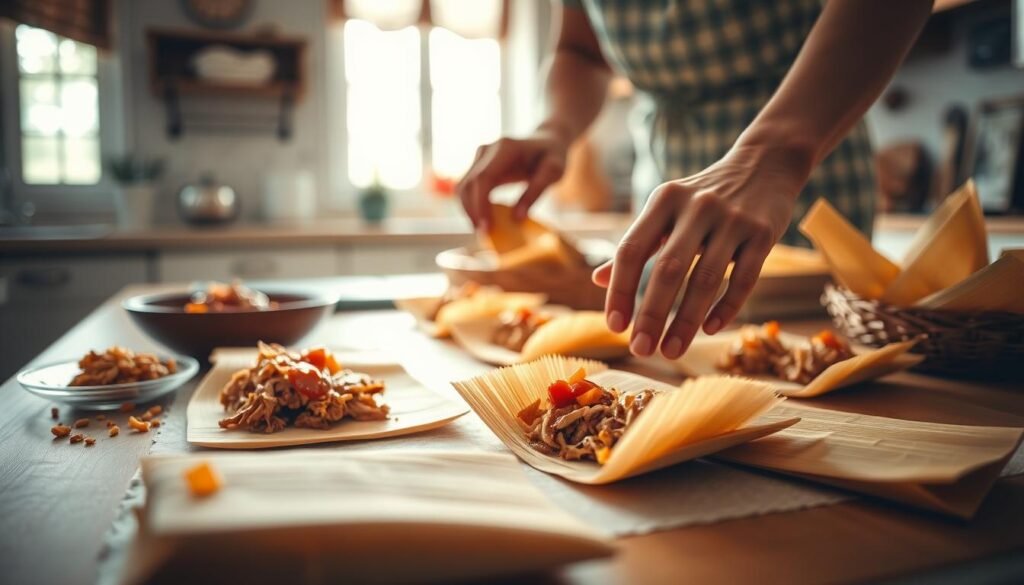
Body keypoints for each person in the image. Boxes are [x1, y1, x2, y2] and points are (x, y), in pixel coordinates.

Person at [456, 0, 933, 360]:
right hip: (668, 196)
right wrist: (554, 130)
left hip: (808, 163)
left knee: (813, 361)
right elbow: (581, 50)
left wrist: (772, 155)